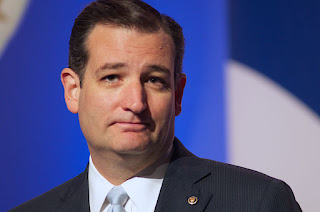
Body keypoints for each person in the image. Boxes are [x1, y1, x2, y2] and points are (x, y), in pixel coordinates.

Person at [9, 0, 301, 211]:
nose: (136, 102)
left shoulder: (257, 202)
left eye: (154, 80)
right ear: (73, 90)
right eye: (112, 77)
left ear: (177, 95)